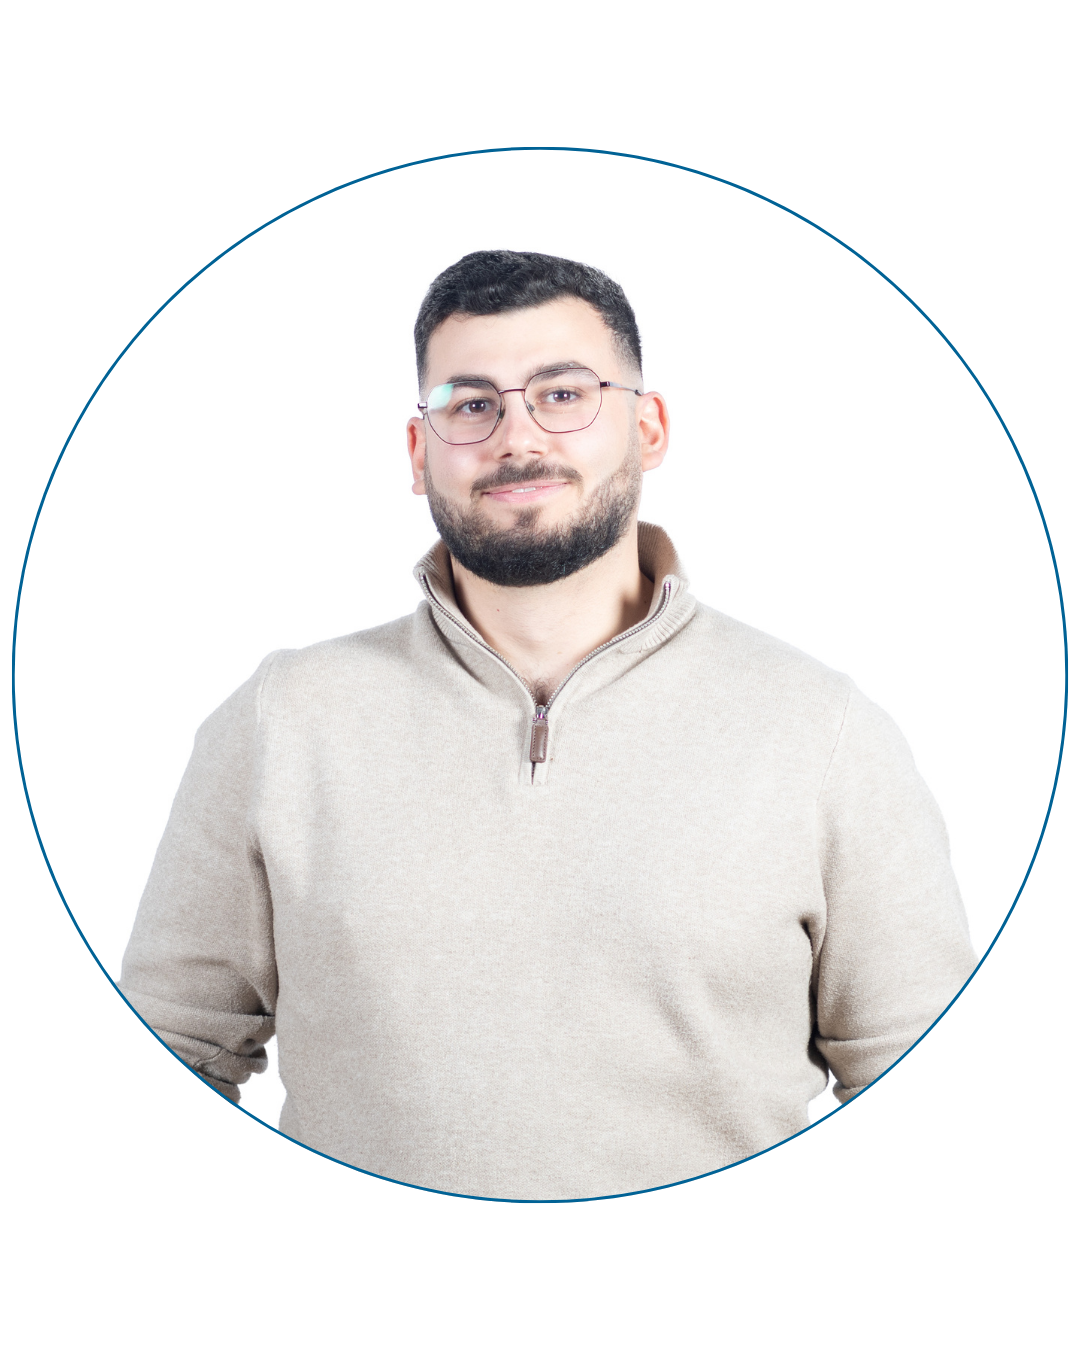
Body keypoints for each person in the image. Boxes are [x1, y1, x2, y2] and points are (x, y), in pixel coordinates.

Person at [120, 250, 976, 1200]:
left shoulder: (826, 734)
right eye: (470, 401)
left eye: (564, 393)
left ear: (647, 429)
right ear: (418, 452)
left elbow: (927, 1112)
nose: (517, 436)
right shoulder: (281, 722)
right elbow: (157, 1072)